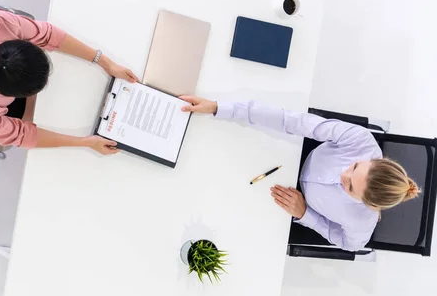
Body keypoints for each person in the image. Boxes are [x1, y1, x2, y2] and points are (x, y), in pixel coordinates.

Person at [180, 95, 420, 251]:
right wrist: (219, 108)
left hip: (284, 200)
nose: (341, 176)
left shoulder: (362, 220)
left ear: (368, 204)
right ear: (375, 161)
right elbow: (292, 121)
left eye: (349, 187)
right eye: (354, 167)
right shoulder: (360, 141)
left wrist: (306, 214)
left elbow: (350, 245)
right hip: (292, 155)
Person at [0, 11, 138, 155]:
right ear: (9, 94)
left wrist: (105, 63)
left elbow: (48, 34)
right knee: (5, 139)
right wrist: (85, 142)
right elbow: (21, 135)